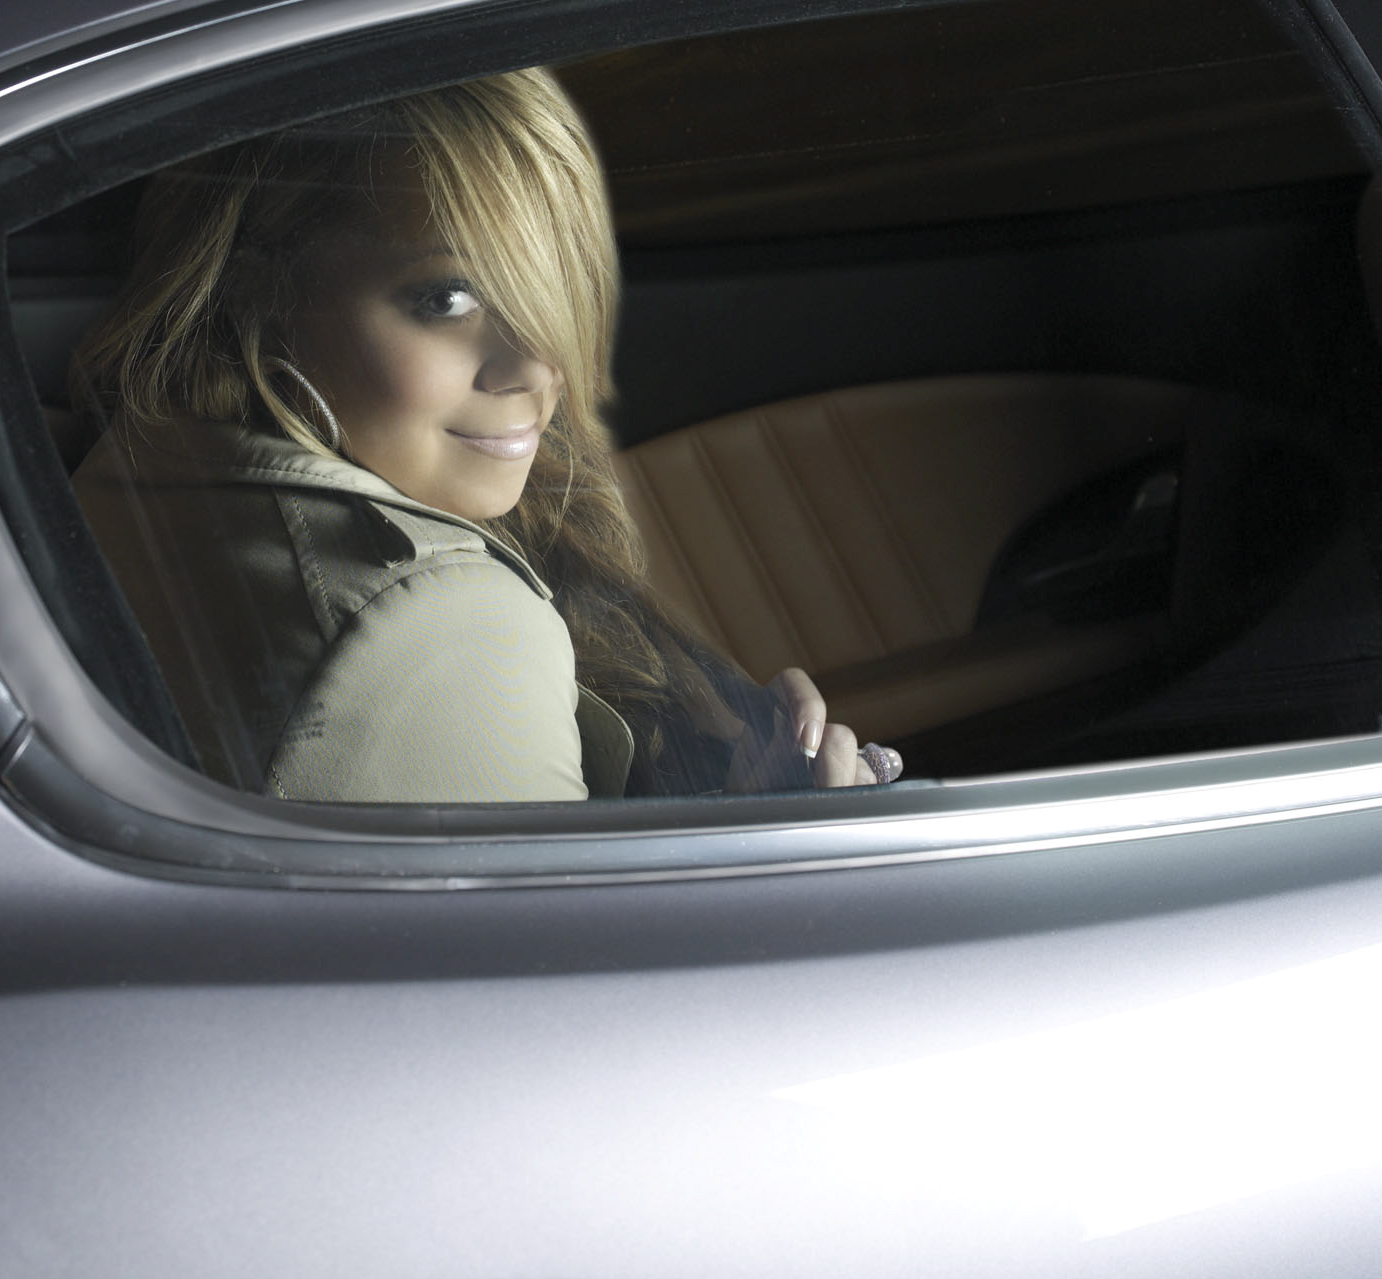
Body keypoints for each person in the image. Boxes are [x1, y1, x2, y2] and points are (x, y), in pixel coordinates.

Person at [69, 70, 896, 805]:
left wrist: (729, 803)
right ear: (265, 292)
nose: (536, 367)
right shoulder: (450, 628)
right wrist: (794, 849)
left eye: (547, 286)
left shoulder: (145, 456)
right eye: (447, 298)